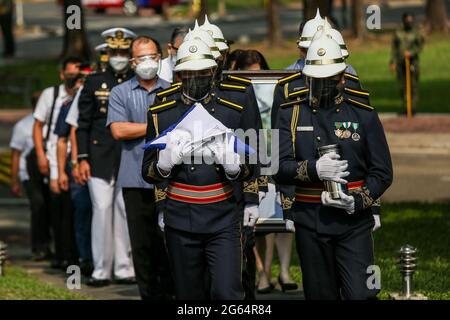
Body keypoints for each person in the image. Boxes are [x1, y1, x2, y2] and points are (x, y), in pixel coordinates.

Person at [274, 27, 392, 300]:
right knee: (320, 294)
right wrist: (313, 169)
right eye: (317, 80)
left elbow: (382, 171)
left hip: (353, 221)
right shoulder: (290, 113)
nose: (324, 86)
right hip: (310, 219)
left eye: (330, 79)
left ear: (342, 77)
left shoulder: (362, 112)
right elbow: (278, 166)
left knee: (362, 293)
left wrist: (360, 200)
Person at [142, 38, 260, 300]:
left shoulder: (232, 110)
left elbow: (252, 164)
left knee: (228, 292)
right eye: (190, 73)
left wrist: (234, 169)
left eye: (203, 72)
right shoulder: (162, 110)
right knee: (189, 295)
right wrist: (162, 166)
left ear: (213, 72)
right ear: (179, 74)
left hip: (223, 214)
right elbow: (147, 170)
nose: (197, 78)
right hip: (180, 214)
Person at [107, 36, 174, 300]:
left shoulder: (172, 90)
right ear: (132, 62)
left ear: (159, 58)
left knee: (167, 241)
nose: (147, 63)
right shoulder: (120, 93)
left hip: (168, 179)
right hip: (135, 179)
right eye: (141, 58)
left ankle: (170, 292)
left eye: (152, 57)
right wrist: (158, 128)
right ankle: (148, 294)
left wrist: (141, 130)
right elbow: (118, 130)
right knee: (142, 242)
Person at [235, 49, 298, 294]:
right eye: (250, 73)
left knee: (283, 211)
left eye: (259, 72)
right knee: (260, 219)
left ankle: (284, 270)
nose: (255, 78)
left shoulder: (278, 88)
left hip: (279, 152)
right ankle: (262, 272)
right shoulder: (237, 93)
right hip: (253, 154)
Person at [76, 28, 136, 287]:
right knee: (101, 210)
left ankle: (124, 267)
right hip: (99, 155)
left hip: (128, 154)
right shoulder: (93, 81)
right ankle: (101, 269)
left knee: (124, 211)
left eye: (124, 52)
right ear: (107, 53)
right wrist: (81, 157)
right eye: (115, 52)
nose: (119, 56)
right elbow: (83, 123)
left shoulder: (136, 80)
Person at [33, 56, 82, 269]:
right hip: (54, 156)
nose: (74, 79)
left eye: (77, 75)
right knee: (58, 210)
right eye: (70, 75)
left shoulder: (84, 95)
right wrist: (44, 159)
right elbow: (39, 127)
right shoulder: (51, 95)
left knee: (76, 210)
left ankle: (75, 255)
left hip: (77, 159)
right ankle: (61, 255)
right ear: (62, 74)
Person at [54, 64, 94, 276]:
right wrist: (62, 171)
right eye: (81, 79)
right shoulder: (68, 106)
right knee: (81, 214)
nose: (84, 83)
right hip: (76, 168)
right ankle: (83, 258)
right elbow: (63, 139)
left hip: (98, 165)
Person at [10, 92, 52, 260]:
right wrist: (14, 181)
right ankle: (38, 247)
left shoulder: (53, 122)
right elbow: (16, 154)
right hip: (29, 174)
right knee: (38, 206)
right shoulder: (23, 126)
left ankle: (51, 245)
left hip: (51, 172)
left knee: (51, 208)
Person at [390, 12, 424, 115]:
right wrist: (392, 62)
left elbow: (420, 46)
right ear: (404, 20)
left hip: (412, 63)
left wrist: (412, 52)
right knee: (402, 86)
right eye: (407, 20)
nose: (409, 22)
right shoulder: (398, 32)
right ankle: (405, 107)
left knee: (412, 86)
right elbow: (394, 49)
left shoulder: (416, 33)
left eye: (410, 20)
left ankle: (412, 108)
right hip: (401, 63)